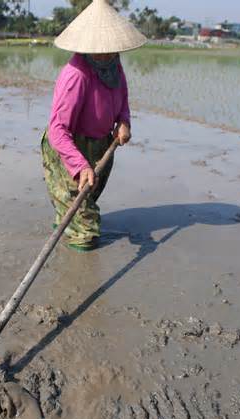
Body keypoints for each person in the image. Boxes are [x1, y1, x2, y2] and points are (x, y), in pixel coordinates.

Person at [42, 0, 146, 252]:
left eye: (111, 48)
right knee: (85, 233)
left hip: (101, 144)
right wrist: (79, 166)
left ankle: (69, 221)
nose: (107, 53)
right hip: (69, 147)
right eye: (101, 49)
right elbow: (58, 130)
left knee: (85, 199)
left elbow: (122, 97)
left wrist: (124, 121)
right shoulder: (77, 75)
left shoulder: (113, 66)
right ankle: (78, 266)